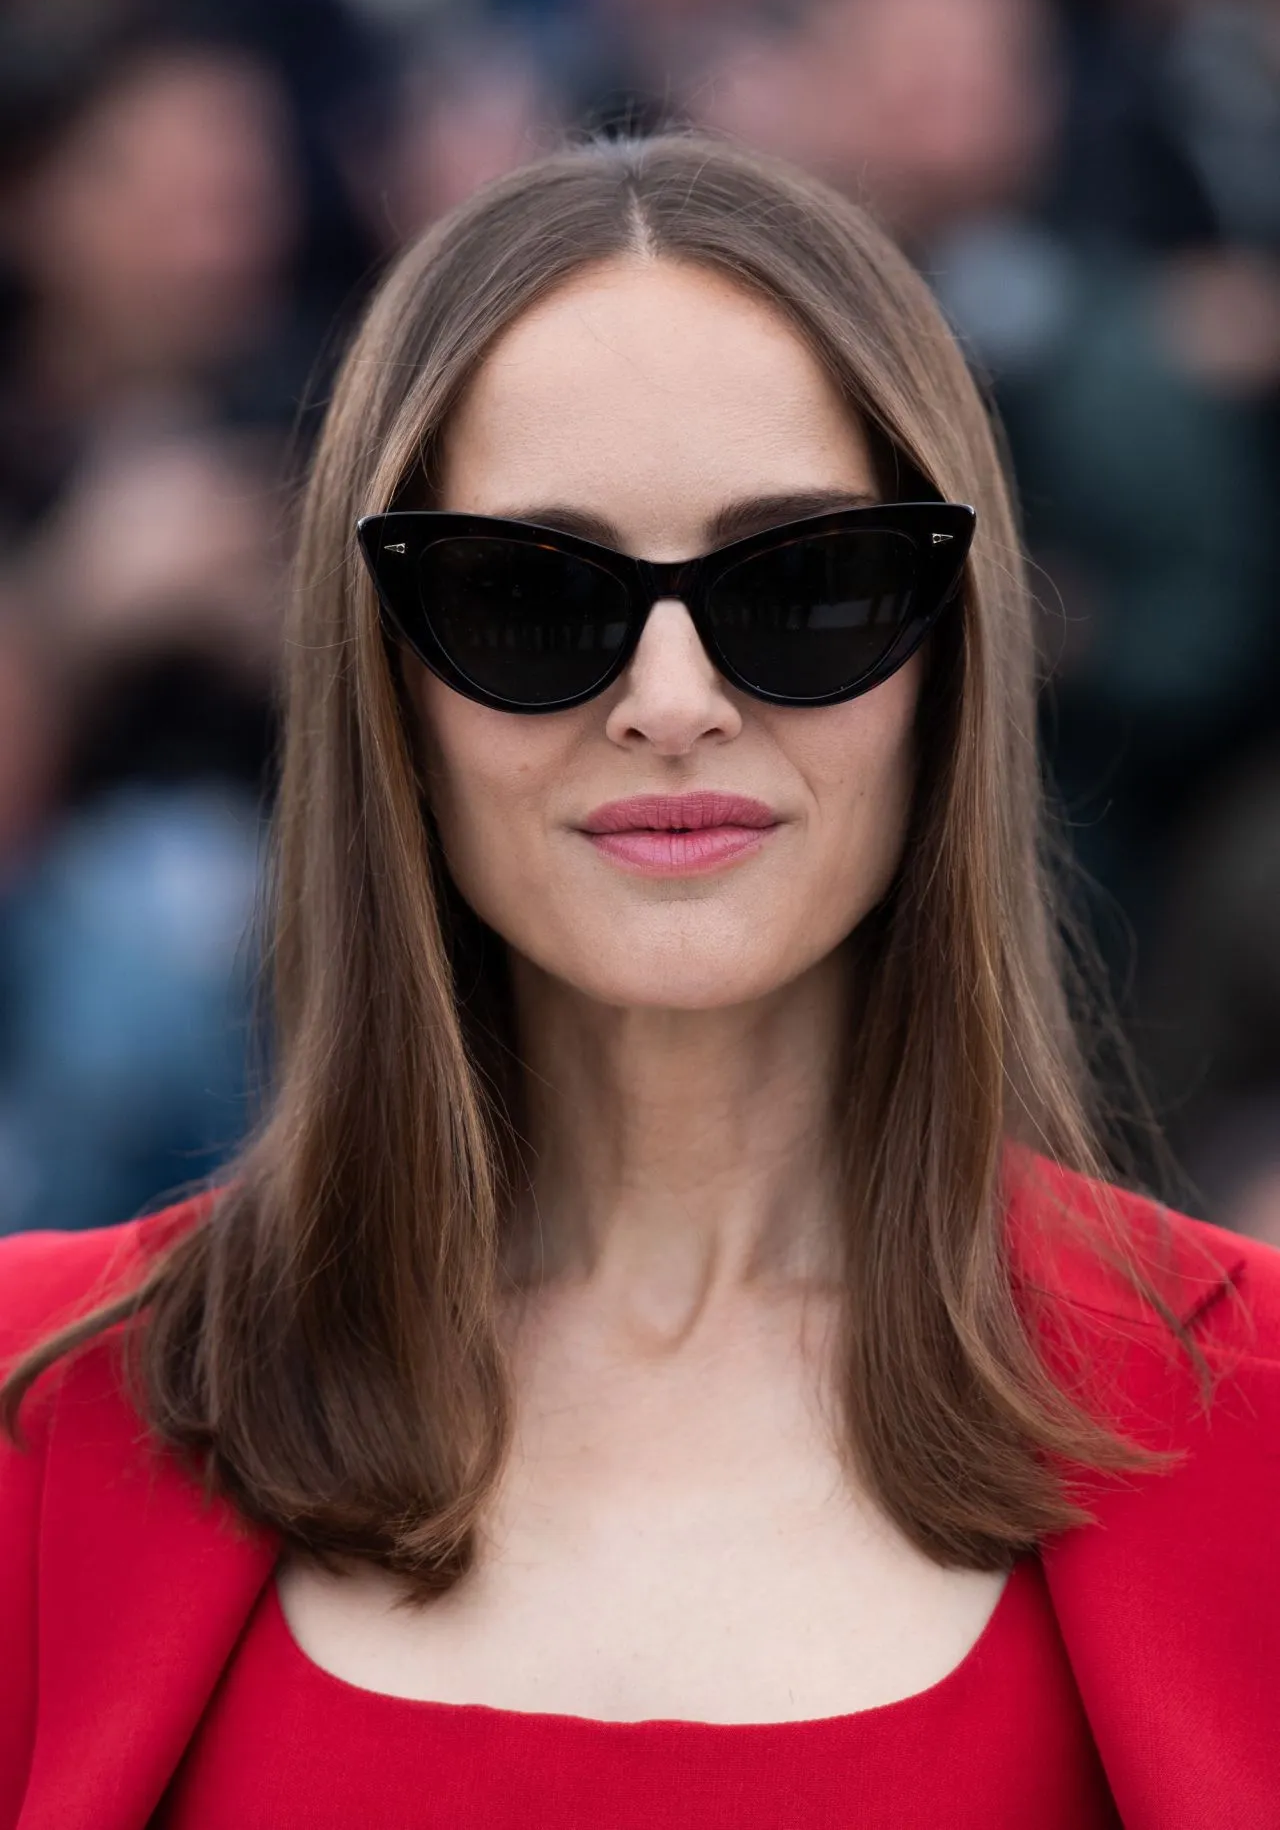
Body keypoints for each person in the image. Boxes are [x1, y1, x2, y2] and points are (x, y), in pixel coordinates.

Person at [0, 134, 1276, 1827]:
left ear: (949, 654)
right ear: (381, 684)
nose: (672, 697)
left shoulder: (1249, 1413)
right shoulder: (43, 1405)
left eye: (805, 584)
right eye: (531, 596)